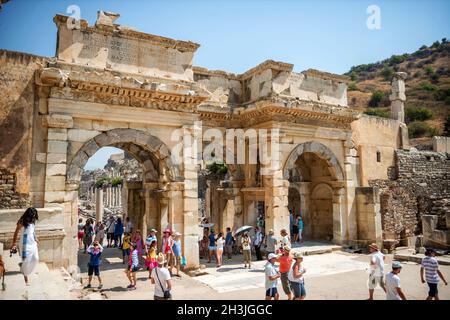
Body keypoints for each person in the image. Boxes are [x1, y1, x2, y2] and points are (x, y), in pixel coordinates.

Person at [11, 207, 40, 285]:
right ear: (29, 214)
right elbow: (16, 232)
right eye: (33, 215)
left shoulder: (33, 220)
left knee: (36, 259)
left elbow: (33, 230)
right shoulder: (22, 221)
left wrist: (36, 238)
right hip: (25, 243)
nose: (34, 216)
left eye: (35, 214)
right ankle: (26, 277)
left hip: (33, 243)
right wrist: (13, 243)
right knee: (26, 260)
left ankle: (23, 267)